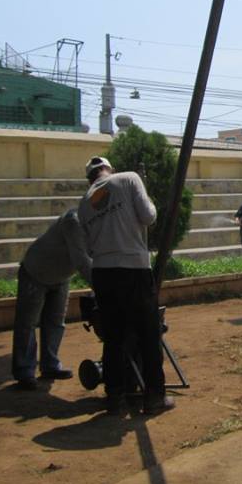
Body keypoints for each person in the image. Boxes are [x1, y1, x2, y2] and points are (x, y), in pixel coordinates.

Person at [77, 155, 174, 415]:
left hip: (103, 274)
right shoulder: (129, 179)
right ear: (109, 169)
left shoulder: (84, 203)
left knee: (114, 338)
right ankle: (154, 397)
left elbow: (87, 247)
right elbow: (149, 216)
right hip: (133, 269)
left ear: (90, 177)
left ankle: (115, 398)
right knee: (148, 334)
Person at [11, 208, 92, 391]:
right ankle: (25, 371)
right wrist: (103, 289)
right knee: (27, 323)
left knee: (56, 322)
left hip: (61, 276)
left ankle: (50, 365)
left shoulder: (97, 223)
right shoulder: (74, 220)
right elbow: (81, 260)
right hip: (36, 272)